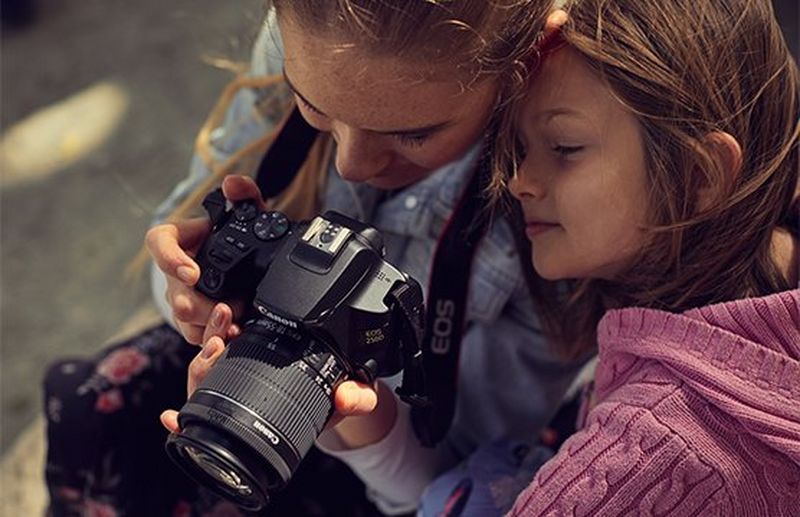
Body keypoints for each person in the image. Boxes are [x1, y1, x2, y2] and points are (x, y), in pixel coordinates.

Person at [246, 0, 796, 514]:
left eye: (564, 148)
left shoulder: (632, 469)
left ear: (699, 175)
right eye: (519, 149)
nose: (517, 181)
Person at [44, 2, 587, 516]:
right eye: (313, 106)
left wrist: (367, 426)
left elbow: (464, 483)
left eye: (412, 133)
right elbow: (179, 245)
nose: (351, 164)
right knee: (89, 411)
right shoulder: (307, 39)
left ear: (531, 56)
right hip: (243, 373)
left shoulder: (559, 215)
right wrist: (194, 294)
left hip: (395, 467)